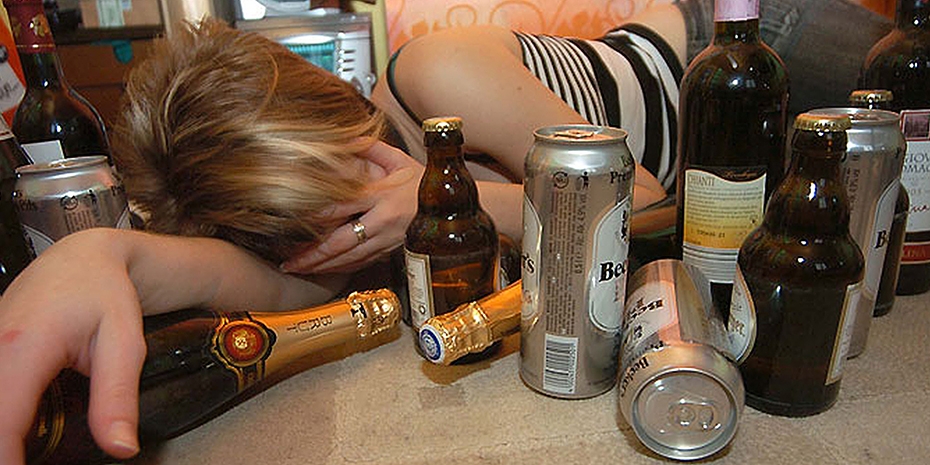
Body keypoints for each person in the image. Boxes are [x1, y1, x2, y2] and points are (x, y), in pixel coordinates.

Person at [0, 1, 892, 463]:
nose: (359, 221)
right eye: (325, 223)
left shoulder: (436, 72)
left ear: (345, 107)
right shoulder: (328, 231)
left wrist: (449, 207)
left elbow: (654, 205)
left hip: (738, 42)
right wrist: (102, 252)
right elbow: (265, 287)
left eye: (353, 174)